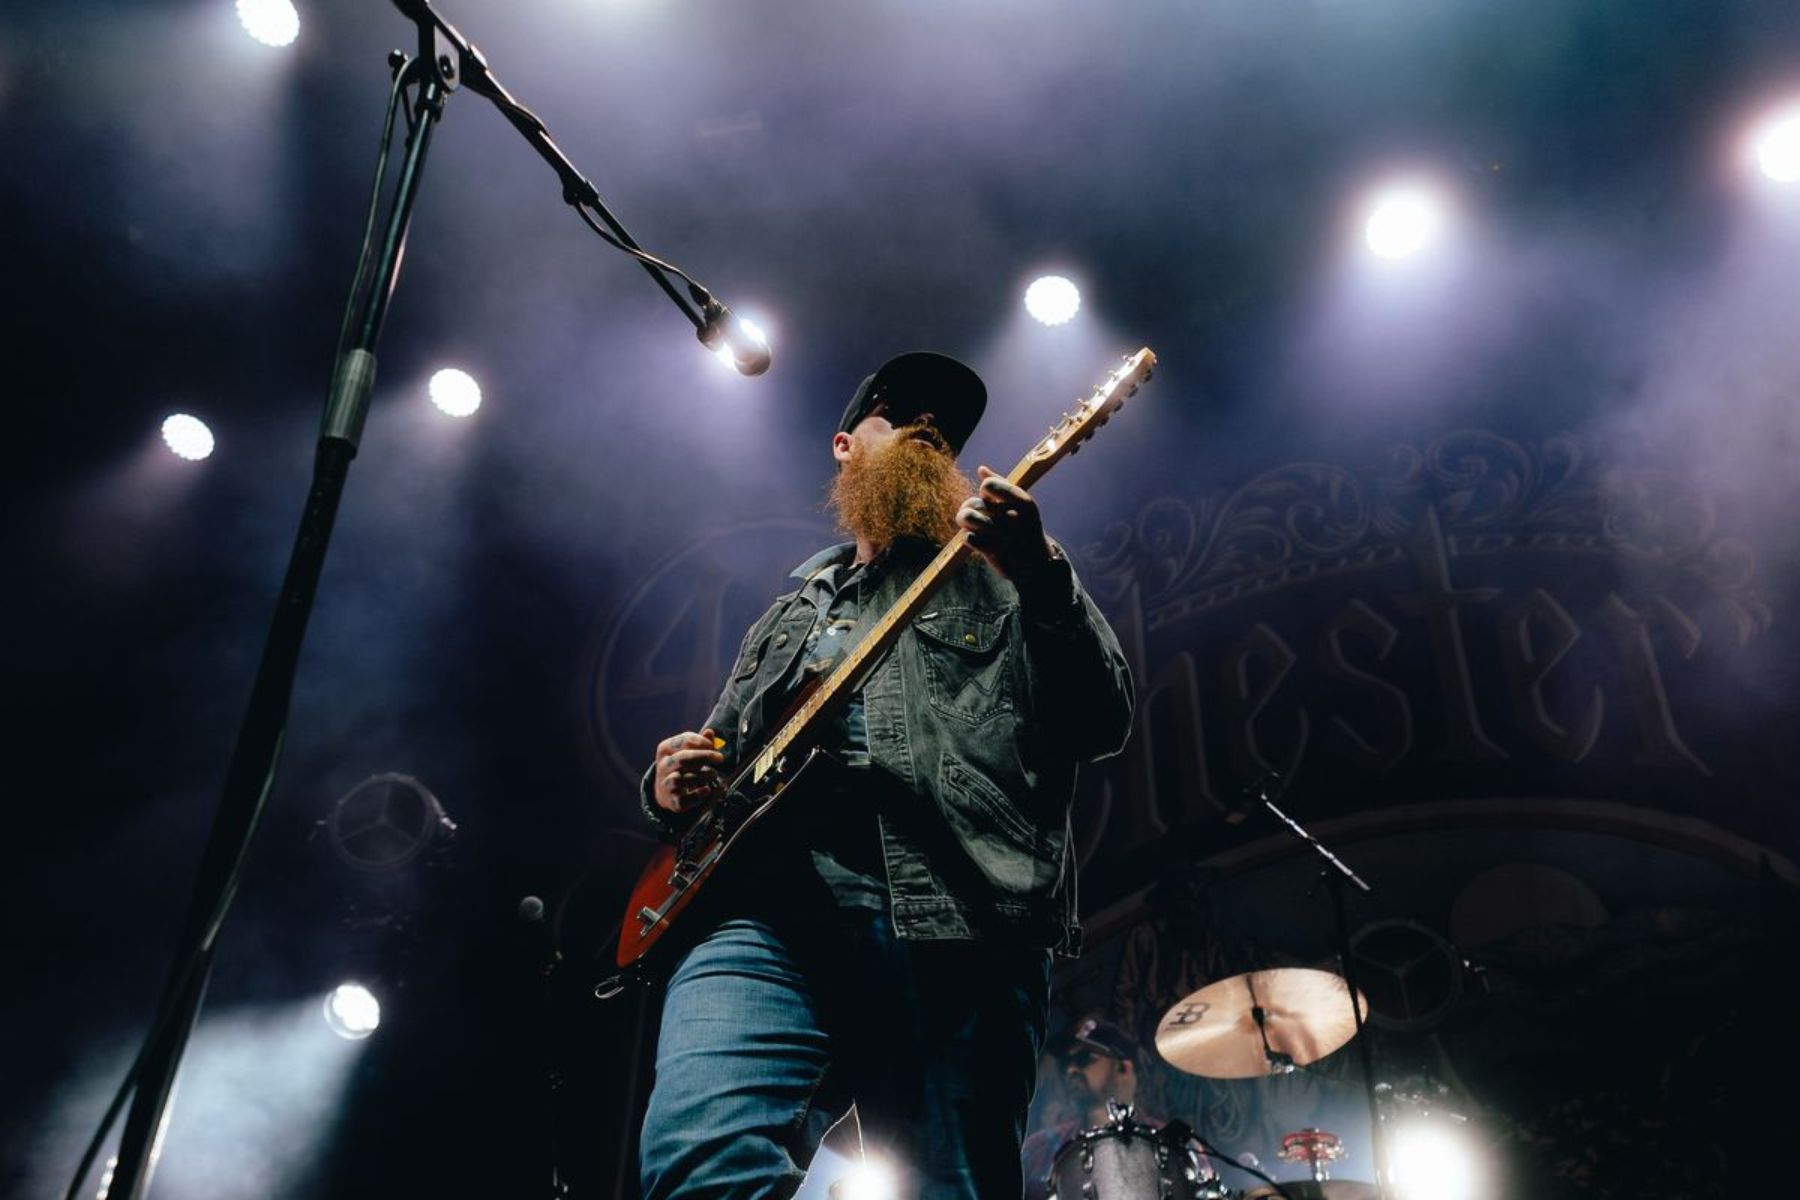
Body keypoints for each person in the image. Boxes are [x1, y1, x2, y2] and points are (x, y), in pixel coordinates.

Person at [634, 351, 1135, 1200]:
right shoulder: (791, 610)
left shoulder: (1004, 577)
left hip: (957, 917)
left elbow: (1102, 718)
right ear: (843, 446)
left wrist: (1041, 573)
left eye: (940, 434)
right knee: (698, 1160)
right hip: (763, 918)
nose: (923, 436)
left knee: (952, 1186)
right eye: (900, 417)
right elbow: (717, 766)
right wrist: (666, 787)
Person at [1019, 1018, 1153, 1200]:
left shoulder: (1170, 1148)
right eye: (1066, 1063)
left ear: (1123, 1069)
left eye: (1084, 1059)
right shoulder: (1038, 1148)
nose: (1071, 1070)